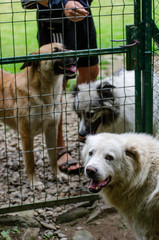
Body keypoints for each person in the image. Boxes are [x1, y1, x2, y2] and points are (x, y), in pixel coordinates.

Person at [21, 0, 99, 174]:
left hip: (83, 16)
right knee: (57, 81)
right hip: (54, 21)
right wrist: (61, 3)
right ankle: (59, 147)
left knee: (91, 70)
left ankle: (84, 126)